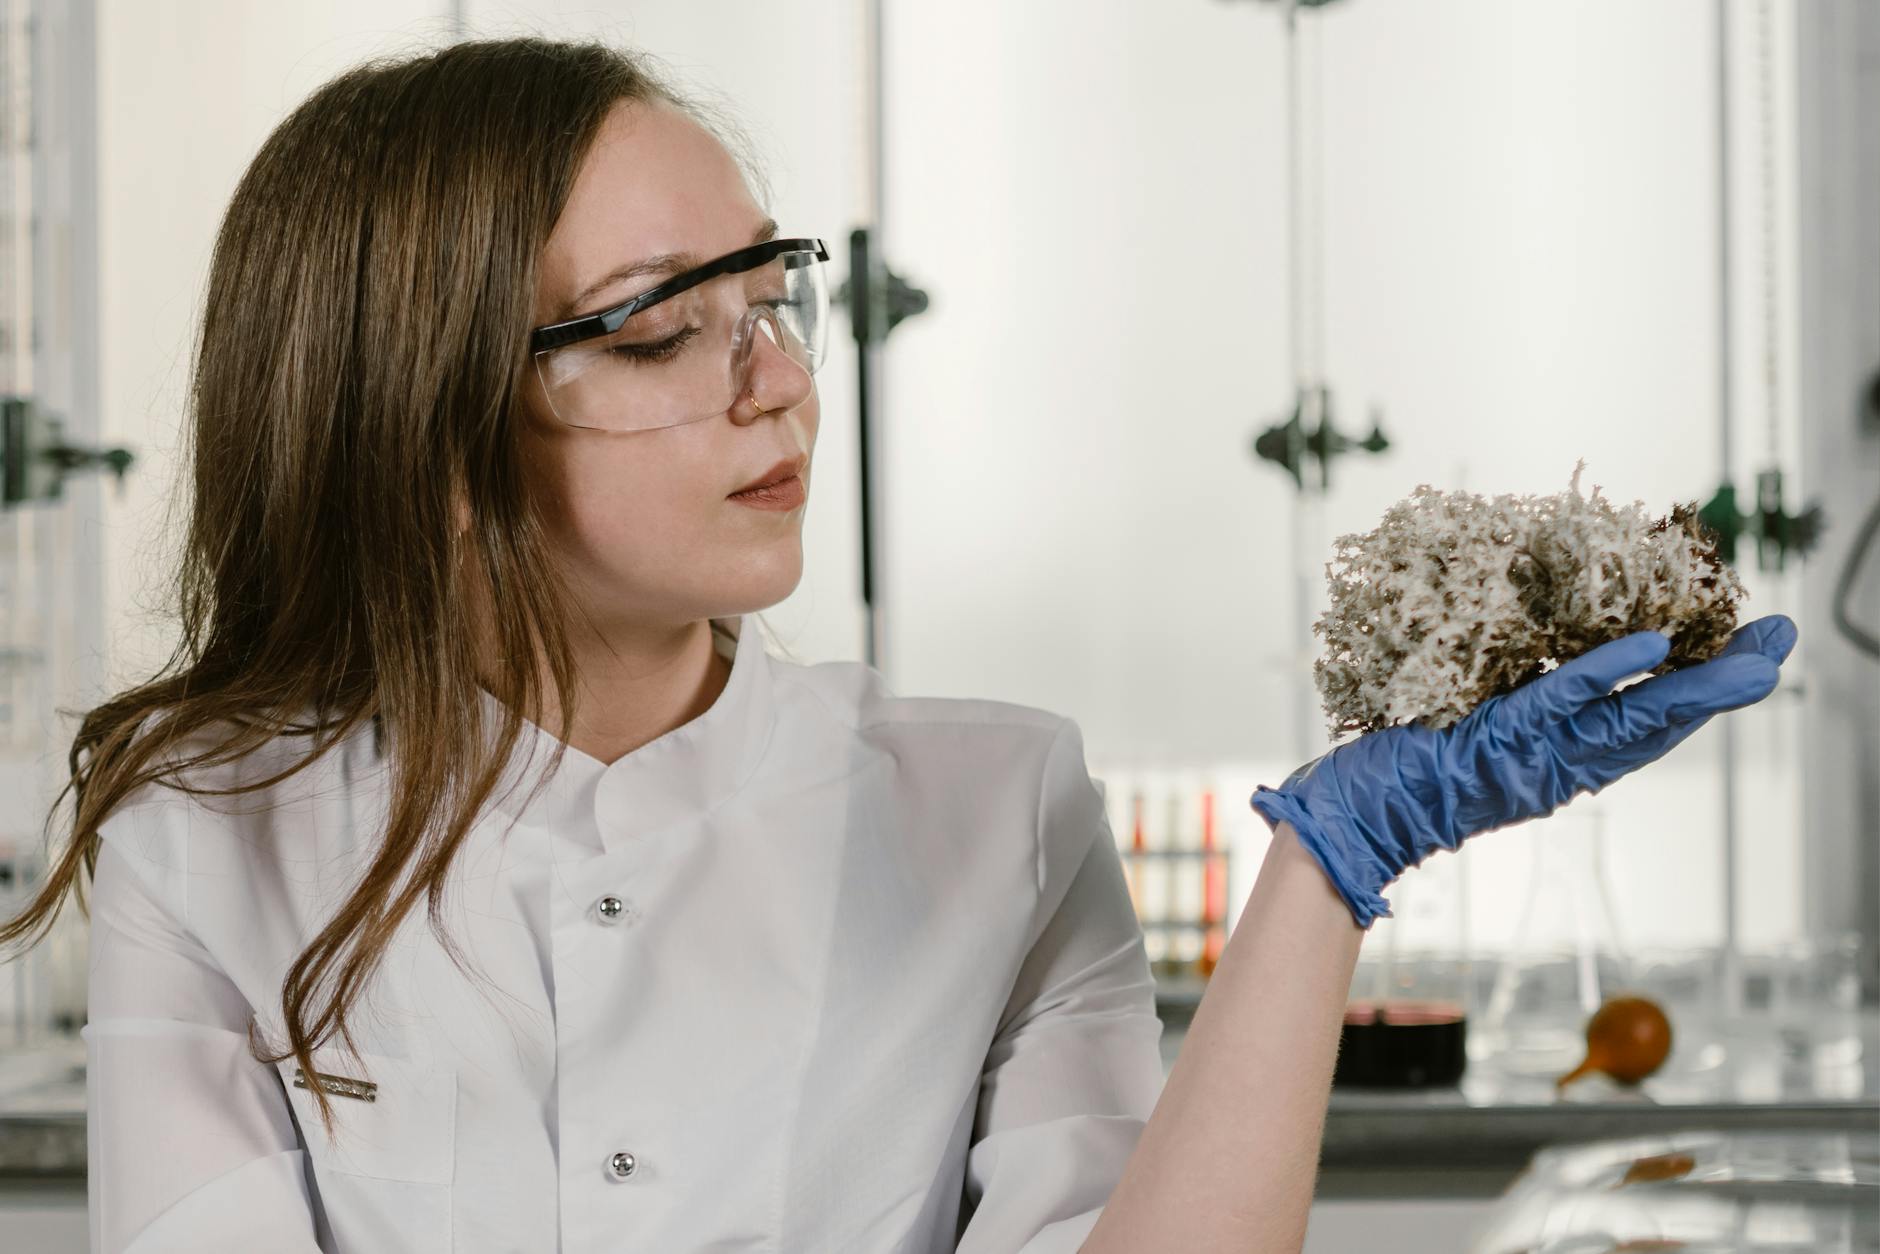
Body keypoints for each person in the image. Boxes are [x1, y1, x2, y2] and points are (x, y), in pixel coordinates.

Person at [0, 35, 1796, 1254]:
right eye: (659, 332)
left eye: (772, 299)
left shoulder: (993, 805)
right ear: (426, 428)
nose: (778, 379)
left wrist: (1324, 874)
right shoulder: (209, 838)